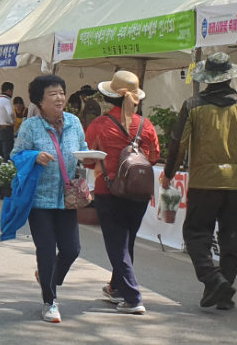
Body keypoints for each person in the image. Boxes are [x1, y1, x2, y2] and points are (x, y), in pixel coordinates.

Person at [159, 53, 237, 311]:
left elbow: (179, 143)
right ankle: (224, 291)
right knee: (231, 235)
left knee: (196, 233)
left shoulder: (193, 105)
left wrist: (169, 172)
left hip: (204, 181)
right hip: (235, 183)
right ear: (230, 75)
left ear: (206, 78)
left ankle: (213, 279)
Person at [12, 74, 98, 323]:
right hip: (39, 200)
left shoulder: (73, 121)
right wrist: (34, 156)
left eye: (61, 92)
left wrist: (90, 157)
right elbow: (16, 155)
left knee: (72, 249)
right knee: (47, 250)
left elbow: (81, 149)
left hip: (68, 198)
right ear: (39, 100)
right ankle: (50, 301)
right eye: (53, 94)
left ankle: (48, 277)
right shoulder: (31, 127)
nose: (60, 97)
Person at [84, 71, 158, 315]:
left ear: (109, 98)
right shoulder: (146, 125)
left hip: (108, 190)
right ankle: (116, 288)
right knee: (127, 242)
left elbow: (86, 160)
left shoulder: (99, 125)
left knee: (117, 245)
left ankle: (132, 297)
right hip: (139, 192)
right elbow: (154, 157)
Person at [0, 82, 17, 160]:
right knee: (7, 153)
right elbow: (10, 112)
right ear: (9, 91)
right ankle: (6, 170)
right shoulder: (6, 101)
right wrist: (13, 121)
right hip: (6, 129)